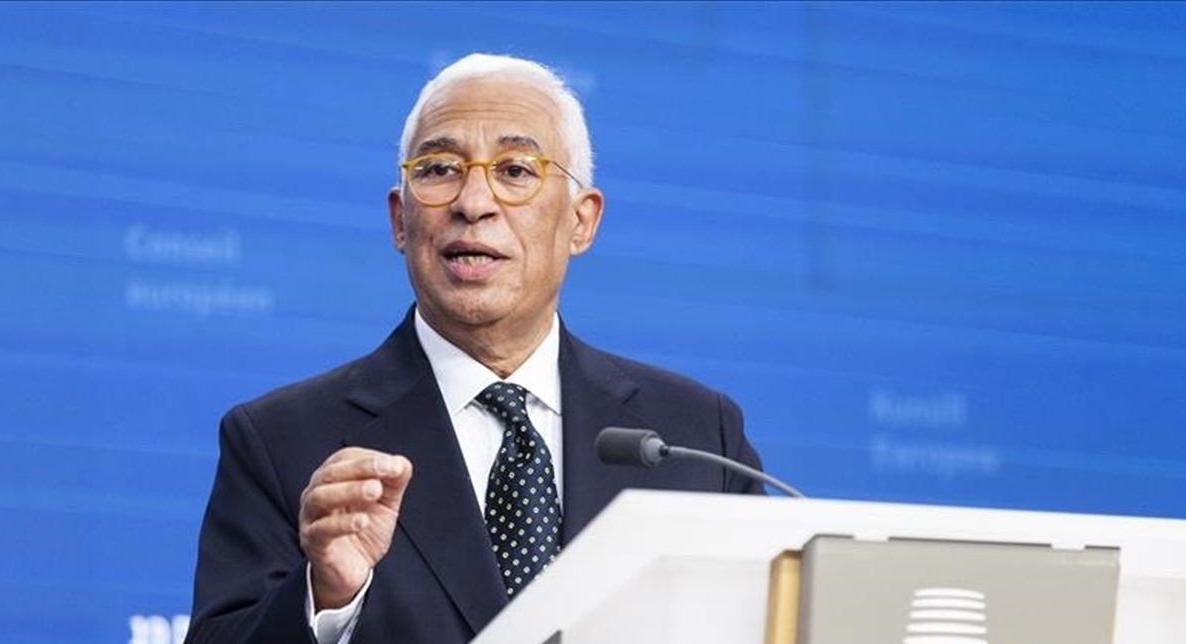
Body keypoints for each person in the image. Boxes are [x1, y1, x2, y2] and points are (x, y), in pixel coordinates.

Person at [186, 52, 764, 644]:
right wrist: (326, 597)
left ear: (581, 221)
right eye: (439, 169)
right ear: (400, 220)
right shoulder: (281, 442)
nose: (473, 202)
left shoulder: (698, 438)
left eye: (515, 170)